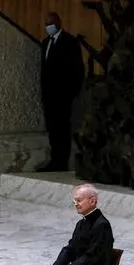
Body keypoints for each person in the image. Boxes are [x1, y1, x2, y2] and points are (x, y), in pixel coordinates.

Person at [38, 11, 85, 172]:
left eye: (50, 23)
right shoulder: (45, 43)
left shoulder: (70, 42)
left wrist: (71, 93)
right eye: (46, 24)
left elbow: (77, 70)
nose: (47, 27)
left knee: (63, 129)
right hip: (49, 96)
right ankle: (54, 160)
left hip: (63, 97)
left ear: (58, 24)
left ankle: (61, 162)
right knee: (52, 129)